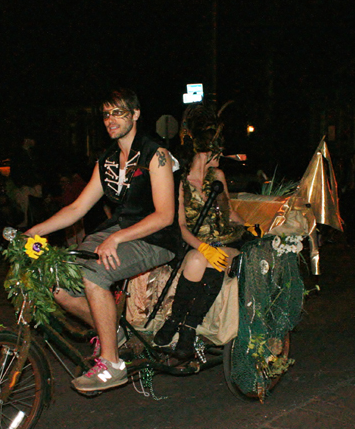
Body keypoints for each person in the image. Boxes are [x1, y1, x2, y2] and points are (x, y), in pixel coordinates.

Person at [26, 88, 180, 393]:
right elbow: (77, 208)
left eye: (119, 112)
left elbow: (164, 215)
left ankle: (112, 365)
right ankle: (114, 333)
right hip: (117, 231)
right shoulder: (107, 160)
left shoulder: (156, 154)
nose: (111, 119)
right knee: (59, 282)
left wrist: (117, 239)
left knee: (95, 272)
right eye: (107, 114)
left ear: (135, 115)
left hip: (156, 237)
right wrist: (35, 231)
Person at [153, 104, 254, 360]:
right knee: (200, 258)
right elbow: (182, 226)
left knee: (212, 258)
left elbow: (228, 212)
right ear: (207, 151)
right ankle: (183, 326)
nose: (221, 156)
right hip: (198, 245)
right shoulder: (181, 182)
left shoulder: (217, 174)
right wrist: (202, 246)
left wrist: (248, 226)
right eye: (217, 151)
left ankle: (179, 326)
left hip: (227, 241)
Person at [7, 137, 44, 227]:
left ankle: (35, 221)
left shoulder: (33, 154)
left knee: (36, 204)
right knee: (24, 205)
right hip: (25, 185)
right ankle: (25, 222)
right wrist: (21, 184)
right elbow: (16, 171)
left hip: (33, 184)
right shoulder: (18, 155)